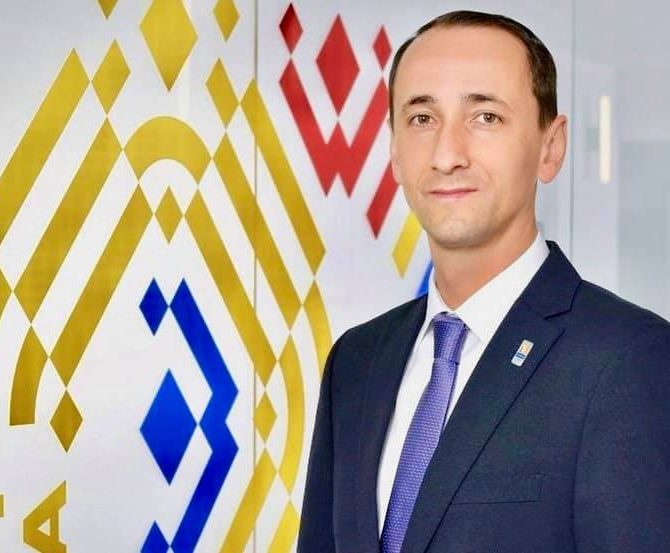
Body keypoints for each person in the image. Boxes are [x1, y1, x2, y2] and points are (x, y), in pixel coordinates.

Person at [297, 10, 670, 553]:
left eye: (486, 117)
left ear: (550, 147)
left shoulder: (627, 359)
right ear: (394, 151)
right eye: (422, 118)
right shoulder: (356, 361)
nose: (447, 155)